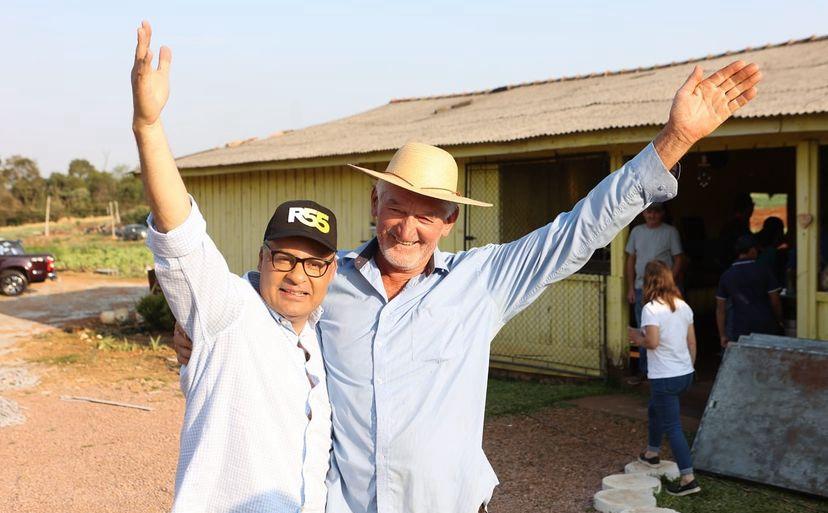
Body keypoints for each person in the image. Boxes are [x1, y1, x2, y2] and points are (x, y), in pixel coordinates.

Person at [168, 27, 763, 512]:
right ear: (375, 205)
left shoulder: (481, 283)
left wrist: (673, 140)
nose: (408, 228)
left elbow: (578, 229)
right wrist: (200, 331)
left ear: (450, 222)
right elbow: (259, 303)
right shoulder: (331, 280)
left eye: (427, 216)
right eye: (396, 208)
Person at [131, 22, 337, 513]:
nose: (296, 275)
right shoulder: (227, 313)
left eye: (314, 264)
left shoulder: (319, 337)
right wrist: (148, 127)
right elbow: (181, 238)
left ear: (332, 271)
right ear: (262, 259)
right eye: (284, 258)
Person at [628, 260, 699, 496]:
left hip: (664, 377)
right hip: (685, 373)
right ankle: (652, 453)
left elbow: (652, 342)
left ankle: (688, 479)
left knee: (674, 427)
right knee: (655, 408)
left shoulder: (651, 309)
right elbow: (691, 343)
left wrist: (636, 337)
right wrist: (688, 366)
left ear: (648, 281)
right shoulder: (683, 306)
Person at [625, 202, 685, 380]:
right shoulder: (636, 232)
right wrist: (630, 287)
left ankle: (669, 369)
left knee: (667, 328)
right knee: (644, 328)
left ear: (662, 214)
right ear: (643, 213)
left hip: (663, 289)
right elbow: (630, 260)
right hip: (640, 287)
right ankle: (645, 371)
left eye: (655, 212)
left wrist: (668, 283)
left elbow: (678, 260)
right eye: (648, 212)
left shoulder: (670, 232)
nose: (651, 215)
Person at [716, 234, 783, 347]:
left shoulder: (726, 275)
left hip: (740, 327)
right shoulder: (764, 270)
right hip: (766, 325)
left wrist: (722, 335)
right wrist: (779, 320)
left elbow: (720, 309)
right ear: (752, 250)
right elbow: (775, 300)